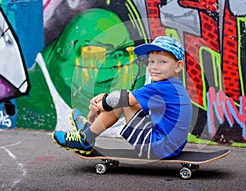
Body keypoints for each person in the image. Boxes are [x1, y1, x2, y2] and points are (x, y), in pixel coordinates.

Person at [52, 36, 192, 159]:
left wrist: (99, 106)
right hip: (171, 147)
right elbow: (134, 97)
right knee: (125, 99)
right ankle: (89, 129)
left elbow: (124, 98)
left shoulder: (162, 87)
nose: (154, 67)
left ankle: (86, 139)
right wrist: (106, 97)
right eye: (151, 61)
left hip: (157, 148)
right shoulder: (173, 86)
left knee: (121, 101)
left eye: (162, 62)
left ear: (178, 66)